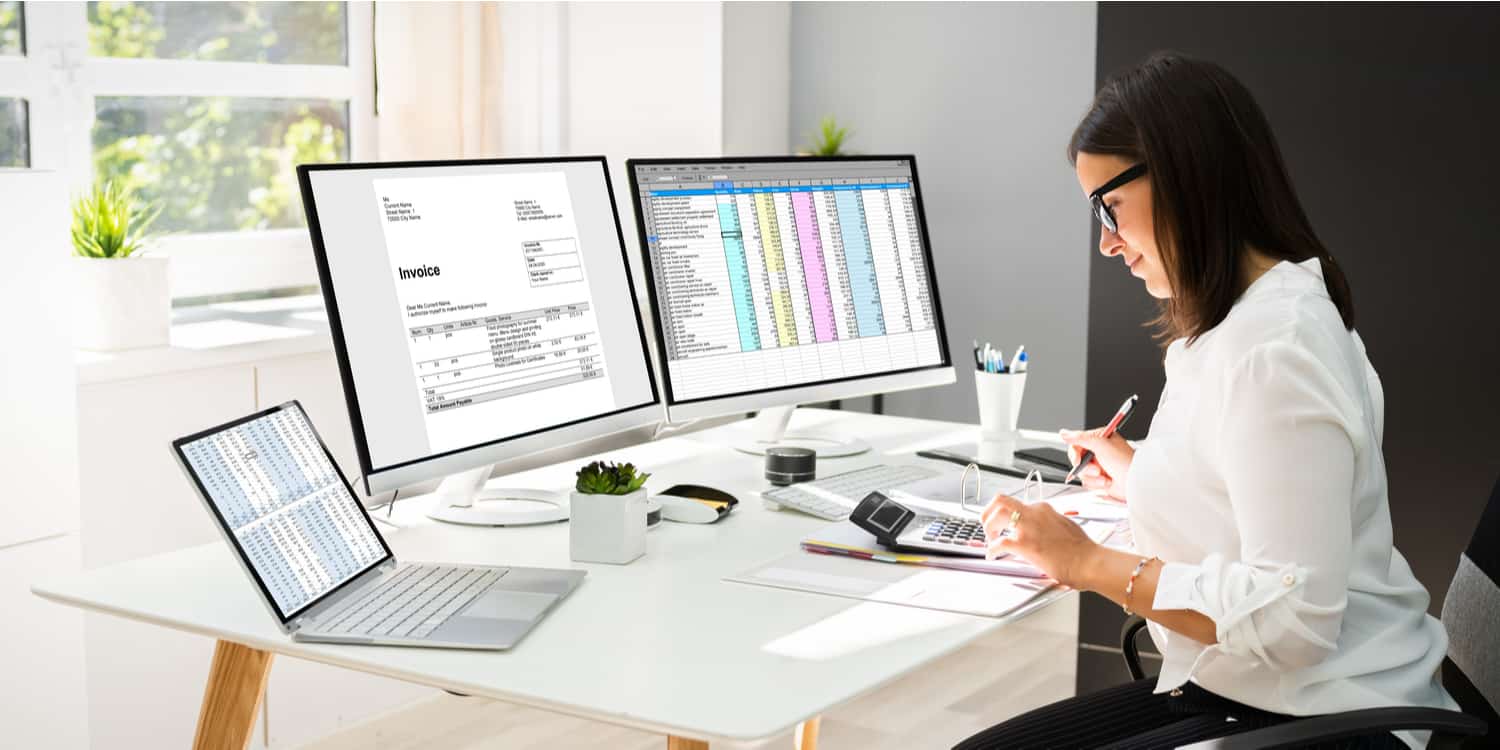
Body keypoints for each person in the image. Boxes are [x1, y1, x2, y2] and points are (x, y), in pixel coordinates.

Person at [954, 53, 1457, 750]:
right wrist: (1138, 472)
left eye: (1109, 207)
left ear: (1185, 179)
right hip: (1257, 692)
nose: (1104, 242)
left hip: (1332, 713)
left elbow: (1293, 621)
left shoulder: (1277, 349)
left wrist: (1087, 562)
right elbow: (1254, 484)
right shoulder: (1246, 319)